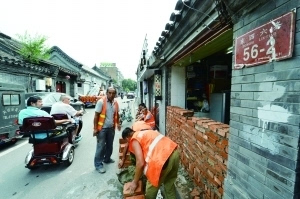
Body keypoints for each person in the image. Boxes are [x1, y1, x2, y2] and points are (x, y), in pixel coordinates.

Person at [121, 125, 179, 199]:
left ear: (127, 138)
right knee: (169, 185)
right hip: (174, 153)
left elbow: (140, 163)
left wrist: (135, 182)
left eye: (127, 142)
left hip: (162, 161)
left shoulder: (134, 139)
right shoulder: (145, 132)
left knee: (150, 191)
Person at [93, 87, 121, 173]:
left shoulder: (115, 103)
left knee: (110, 145)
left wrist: (118, 123)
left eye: (113, 93)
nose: (111, 95)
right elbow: (96, 116)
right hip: (102, 129)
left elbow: (117, 114)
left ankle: (107, 159)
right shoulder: (101, 102)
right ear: (107, 93)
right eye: (109, 93)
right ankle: (98, 164)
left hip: (111, 128)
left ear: (115, 94)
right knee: (101, 147)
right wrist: (95, 129)